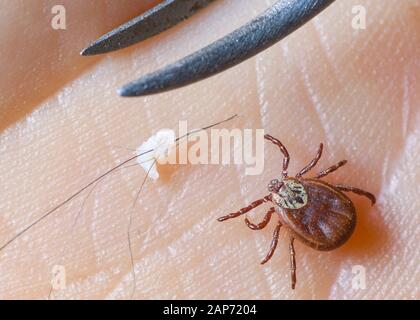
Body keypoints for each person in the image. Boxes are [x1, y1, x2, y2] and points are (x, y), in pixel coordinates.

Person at [0, 0, 418, 299]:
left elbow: (271, 233)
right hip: (334, 223)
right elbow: (320, 173)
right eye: (283, 188)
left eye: (281, 189)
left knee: (288, 239)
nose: (279, 186)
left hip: (329, 230)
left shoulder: (278, 212)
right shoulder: (305, 182)